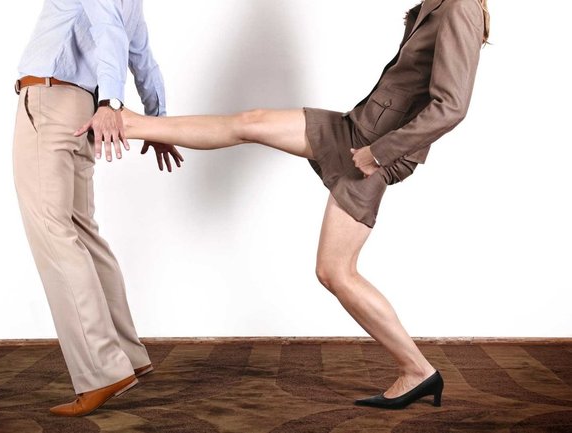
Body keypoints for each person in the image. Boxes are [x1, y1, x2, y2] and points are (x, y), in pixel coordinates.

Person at [93, 0, 490, 409]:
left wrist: (379, 153)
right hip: (356, 129)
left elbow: (451, 107)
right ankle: (133, 124)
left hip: (375, 151)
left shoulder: (461, 7)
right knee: (251, 122)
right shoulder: (438, 3)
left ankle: (417, 370)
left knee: (335, 271)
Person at [12, 0, 183, 417]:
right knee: (81, 231)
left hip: (52, 100)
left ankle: (103, 371)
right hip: (80, 107)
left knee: (53, 232)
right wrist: (157, 118)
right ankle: (127, 355)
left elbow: (109, 31)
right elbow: (141, 56)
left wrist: (112, 103)